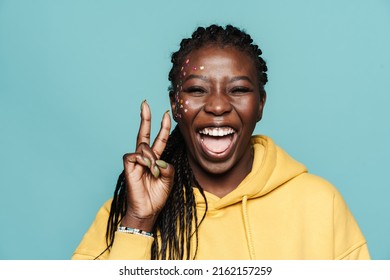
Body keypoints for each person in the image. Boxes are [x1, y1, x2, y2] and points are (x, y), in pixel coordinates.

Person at [72, 24, 370, 260]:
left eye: (238, 89)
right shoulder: (126, 213)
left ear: (261, 104)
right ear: (176, 106)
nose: (217, 106)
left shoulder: (320, 204)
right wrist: (140, 221)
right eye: (197, 90)